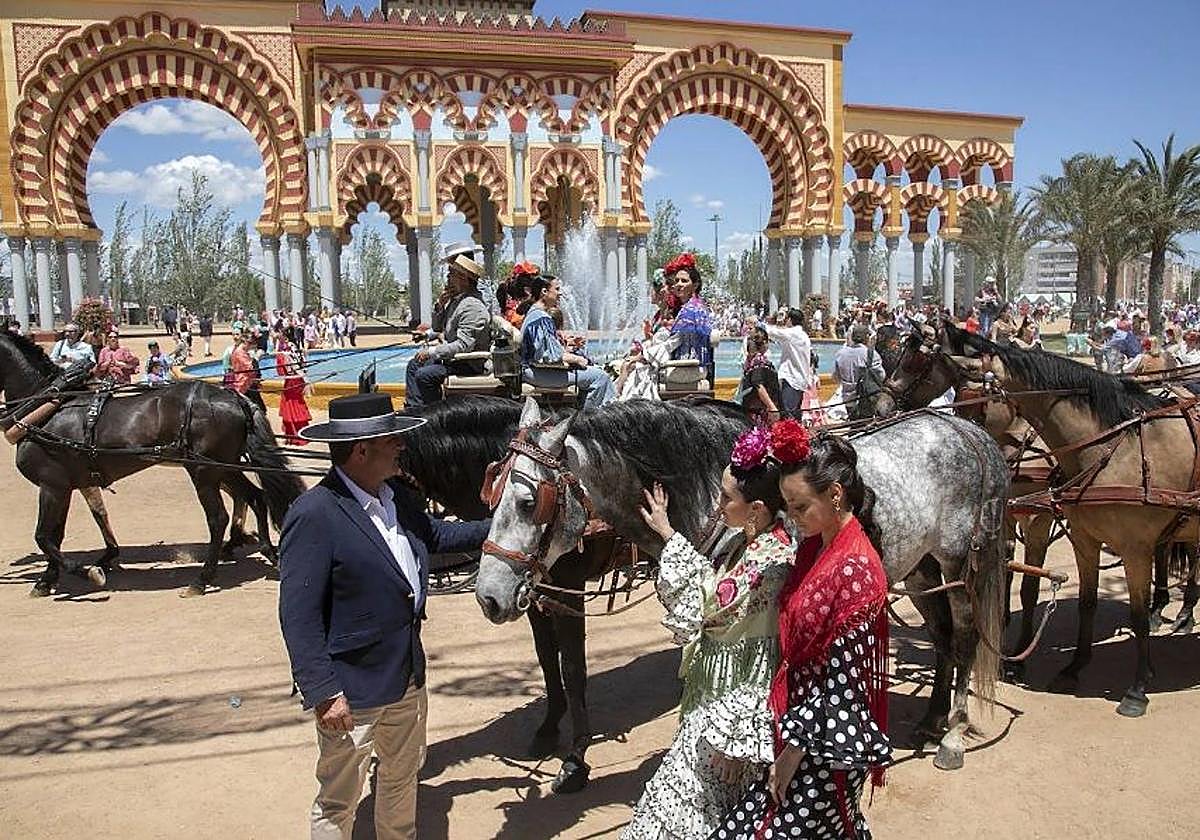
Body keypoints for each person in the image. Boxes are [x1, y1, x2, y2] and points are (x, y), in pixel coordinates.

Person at [279, 393, 490, 840]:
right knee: (338, 798)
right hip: (352, 690)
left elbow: (436, 535)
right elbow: (297, 615)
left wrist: (504, 526)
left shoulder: (398, 497)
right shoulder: (315, 514)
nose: (401, 447)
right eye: (392, 440)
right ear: (361, 450)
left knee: (400, 780)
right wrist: (323, 691)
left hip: (407, 678)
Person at [715, 421, 891, 840]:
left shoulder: (856, 570)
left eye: (799, 507)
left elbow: (843, 685)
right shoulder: (817, 543)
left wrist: (793, 752)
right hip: (799, 724)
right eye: (789, 507)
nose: (792, 519)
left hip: (824, 747)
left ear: (835, 494)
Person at [624, 427, 794, 839]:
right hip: (716, 696)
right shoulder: (749, 542)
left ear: (755, 508)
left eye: (724, 498)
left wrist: (736, 738)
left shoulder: (771, 560)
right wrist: (668, 534)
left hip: (731, 713)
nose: (717, 507)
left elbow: (711, 605)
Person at [404, 242, 491, 408]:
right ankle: (415, 410)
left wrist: (432, 351)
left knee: (425, 375)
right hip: (453, 360)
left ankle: (434, 416)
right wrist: (440, 305)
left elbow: (463, 345)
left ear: (464, 278)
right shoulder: (457, 301)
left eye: (451, 273)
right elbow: (438, 328)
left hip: (467, 364)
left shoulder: (472, 305)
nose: (447, 278)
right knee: (414, 365)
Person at [519, 274, 615, 410]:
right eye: (557, 289)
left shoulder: (535, 314)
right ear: (544, 292)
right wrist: (577, 359)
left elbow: (546, 350)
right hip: (536, 372)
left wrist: (568, 349)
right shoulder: (541, 318)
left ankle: (581, 413)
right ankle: (589, 421)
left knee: (591, 371)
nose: (560, 293)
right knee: (600, 377)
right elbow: (550, 357)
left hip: (535, 370)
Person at [665, 253, 714, 383]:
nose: (679, 284)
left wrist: (647, 354)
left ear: (695, 285)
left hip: (689, 366)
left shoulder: (692, 309)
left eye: (684, 281)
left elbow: (674, 342)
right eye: (677, 281)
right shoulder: (691, 305)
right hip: (687, 364)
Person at [761, 308, 815, 418]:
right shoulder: (803, 335)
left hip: (792, 380)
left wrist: (758, 323)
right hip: (800, 380)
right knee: (795, 415)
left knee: (787, 415)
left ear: (790, 320)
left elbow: (773, 332)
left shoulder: (792, 333)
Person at [833, 325, 885, 420]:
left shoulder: (840, 353)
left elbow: (836, 377)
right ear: (866, 338)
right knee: (865, 424)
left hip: (847, 398)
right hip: (866, 398)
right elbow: (881, 376)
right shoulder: (871, 354)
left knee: (853, 421)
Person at [737, 327, 782, 426]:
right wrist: (772, 407)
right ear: (765, 342)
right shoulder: (760, 361)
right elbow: (759, 385)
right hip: (760, 412)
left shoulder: (750, 360)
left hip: (751, 409)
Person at [276, 332, 312, 445]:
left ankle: (294, 436)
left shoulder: (285, 352)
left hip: (292, 382)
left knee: (291, 405)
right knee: (296, 404)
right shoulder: (296, 348)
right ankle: (299, 434)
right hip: (299, 380)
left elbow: (282, 372)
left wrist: (279, 357)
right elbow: (302, 366)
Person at [230, 331, 265, 412]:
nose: (251, 346)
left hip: (248, 383)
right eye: (250, 343)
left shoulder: (242, 351)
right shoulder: (240, 352)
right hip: (244, 384)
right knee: (257, 409)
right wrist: (256, 358)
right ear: (245, 342)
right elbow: (250, 368)